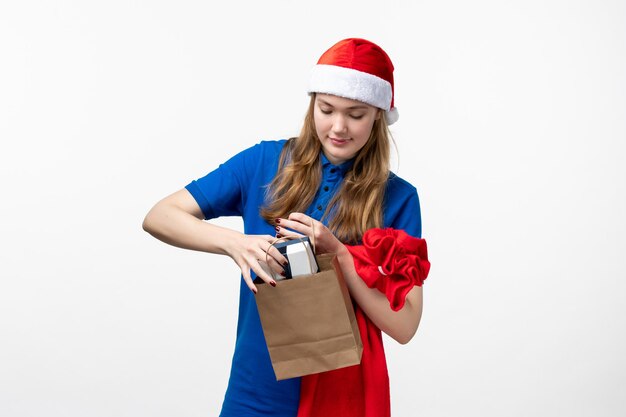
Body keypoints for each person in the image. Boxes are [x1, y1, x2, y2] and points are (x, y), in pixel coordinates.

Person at [143, 38, 424, 417]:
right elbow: (160, 216)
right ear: (312, 106)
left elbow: (404, 325)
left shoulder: (399, 198)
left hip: (340, 399)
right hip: (254, 392)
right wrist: (235, 245)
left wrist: (339, 255)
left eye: (356, 114)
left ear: (378, 115)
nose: (338, 127)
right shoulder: (264, 161)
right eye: (326, 109)